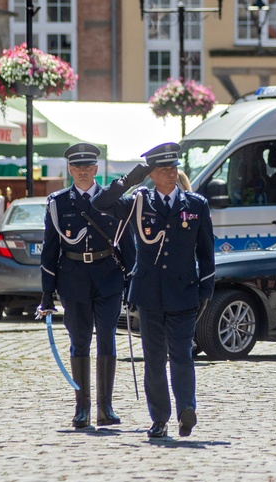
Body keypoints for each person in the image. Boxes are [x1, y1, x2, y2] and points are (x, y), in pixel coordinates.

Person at [92, 142, 215, 439]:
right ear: (153, 174)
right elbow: (101, 203)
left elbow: (206, 254)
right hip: (148, 294)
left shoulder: (195, 205)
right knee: (154, 358)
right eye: (163, 169)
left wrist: (205, 292)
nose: (171, 174)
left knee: (183, 354)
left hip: (184, 293)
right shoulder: (139, 202)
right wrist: (134, 176)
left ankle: (187, 409)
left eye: (174, 168)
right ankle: (159, 417)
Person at [38, 143, 135, 428]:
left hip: (108, 278)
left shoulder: (111, 199)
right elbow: (49, 251)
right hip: (73, 279)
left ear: (96, 169)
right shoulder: (58, 202)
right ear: (70, 170)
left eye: (87, 167)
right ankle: (82, 408)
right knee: (79, 342)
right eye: (77, 167)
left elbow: (127, 243)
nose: (82, 172)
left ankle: (106, 407)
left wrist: (132, 283)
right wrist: (47, 294)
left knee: (107, 338)